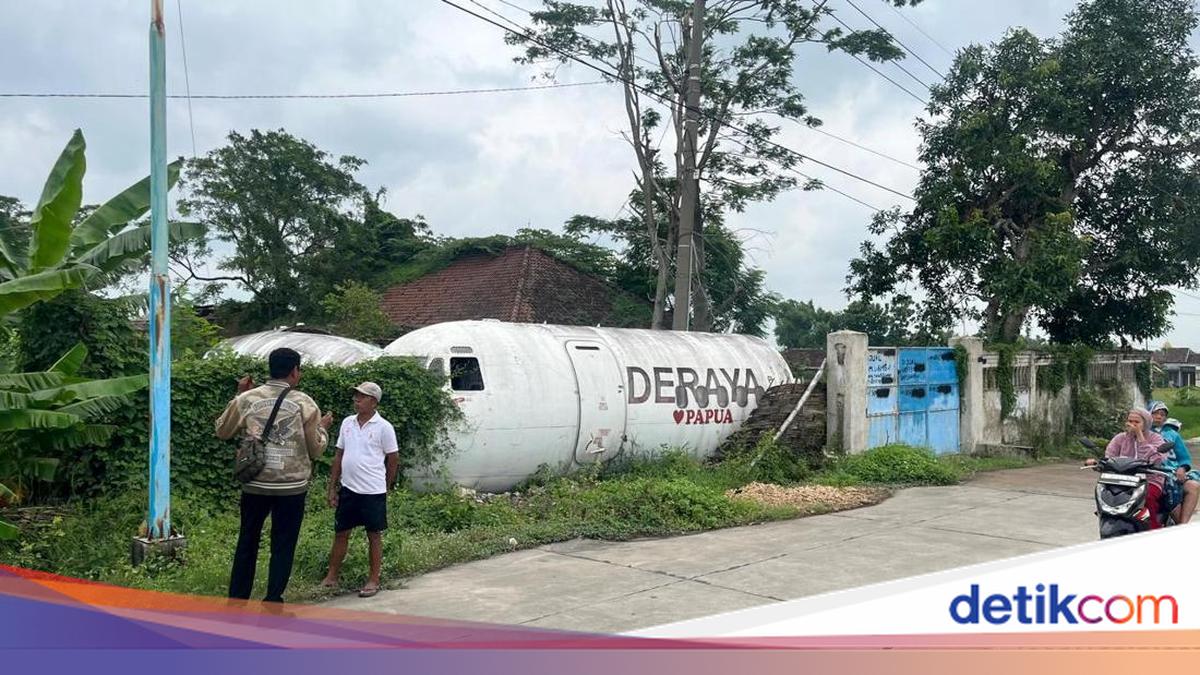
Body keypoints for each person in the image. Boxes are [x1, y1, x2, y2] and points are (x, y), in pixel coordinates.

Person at [215, 347, 332, 603]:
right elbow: (316, 450)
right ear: (294, 371)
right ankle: (273, 599)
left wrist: (239, 394)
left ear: (270, 368)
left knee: (247, 540)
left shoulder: (248, 399)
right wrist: (322, 429)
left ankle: (237, 599)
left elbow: (223, 430)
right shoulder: (305, 403)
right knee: (283, 544)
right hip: (291, 488)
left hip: (255, 484)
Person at [321, 381, 400, 598]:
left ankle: (373, 579)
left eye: (362, 396)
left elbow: (393, 458)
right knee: (341, 532)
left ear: (374, 401)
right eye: (355, 395)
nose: (356, 399)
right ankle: (331, 576)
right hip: (348, 489)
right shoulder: (348, 423)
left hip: (373, 491)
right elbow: (338, 455)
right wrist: (332, 487)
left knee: (373, 535)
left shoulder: (384, 427)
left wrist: (386, 485)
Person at [1086, 408, 1169, 529]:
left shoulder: (1155, 438)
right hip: (1122, 479)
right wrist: (1098, 463)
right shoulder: (1120, 438)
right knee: (1105, 493)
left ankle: (1153, 530)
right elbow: (1110, 456)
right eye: (1130, 421)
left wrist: (1140, 436)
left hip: (1149, 479)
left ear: (1145, 424)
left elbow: (1156, 458)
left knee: (1148, 497)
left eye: (1137, 422)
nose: (1132, 425)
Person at [1148, 399, 1199, 524]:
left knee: (1193, 486)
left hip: (1171, 473)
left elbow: (1184, 457)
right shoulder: (1143, 432)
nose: (1159, 417)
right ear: (1148, 414)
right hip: (1149, 473)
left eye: (1163, 414)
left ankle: (1182, 525)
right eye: (1156, 413)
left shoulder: (1172, 434)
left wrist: (1182, 469)